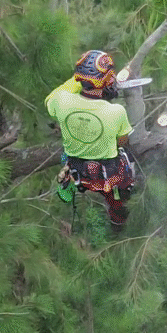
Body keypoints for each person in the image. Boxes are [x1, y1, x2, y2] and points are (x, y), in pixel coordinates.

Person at [47, 49, 136, 233]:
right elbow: (122, 141)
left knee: (68, 159)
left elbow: (50, 99)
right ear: (106, 79)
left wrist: (78, 82)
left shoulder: (61, 101)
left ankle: (67, 185)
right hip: (108, 174)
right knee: (124, 171)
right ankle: (118, 218)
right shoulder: (116, 112)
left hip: (77, 169)